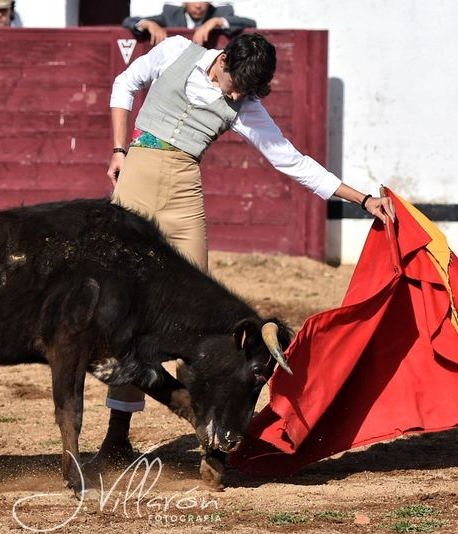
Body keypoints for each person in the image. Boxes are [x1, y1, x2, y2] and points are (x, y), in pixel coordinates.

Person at [89, 32, 396, 469]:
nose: (235, 96)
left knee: (197, 320)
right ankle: (117, 438)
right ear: (223, 59)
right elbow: (125, 83)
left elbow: (290, 160)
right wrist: (119, 149)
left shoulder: (246, 103)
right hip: (135, 178)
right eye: (234, 84)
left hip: (183, 193)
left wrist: (362, 198)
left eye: (243, 92)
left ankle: (211, 440)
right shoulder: (177, 50)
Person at [122, 2, 256, 46]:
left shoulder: (220, 12)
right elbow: (128, 21)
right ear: (184, 2)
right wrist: (149, 24)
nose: (198, 5)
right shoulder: (171, 13)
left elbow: (250, 23)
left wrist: (215, 21)